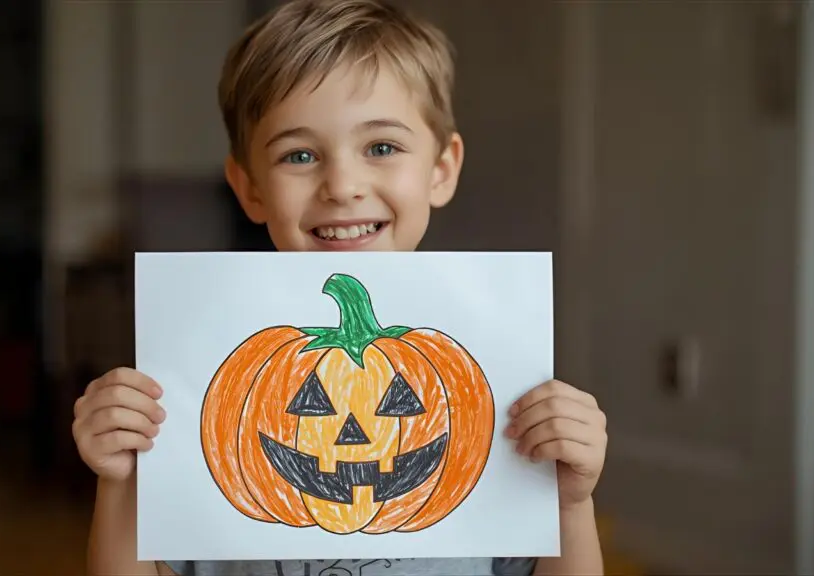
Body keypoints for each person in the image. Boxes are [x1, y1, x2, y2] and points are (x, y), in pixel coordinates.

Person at [72, 1, 609, 574]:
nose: (344, 185)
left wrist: (569, 505)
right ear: (249, 187)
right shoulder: (201, 375)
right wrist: (121, 486)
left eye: (381, 147)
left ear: (441, 169)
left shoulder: (490, 373)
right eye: (299, 155)